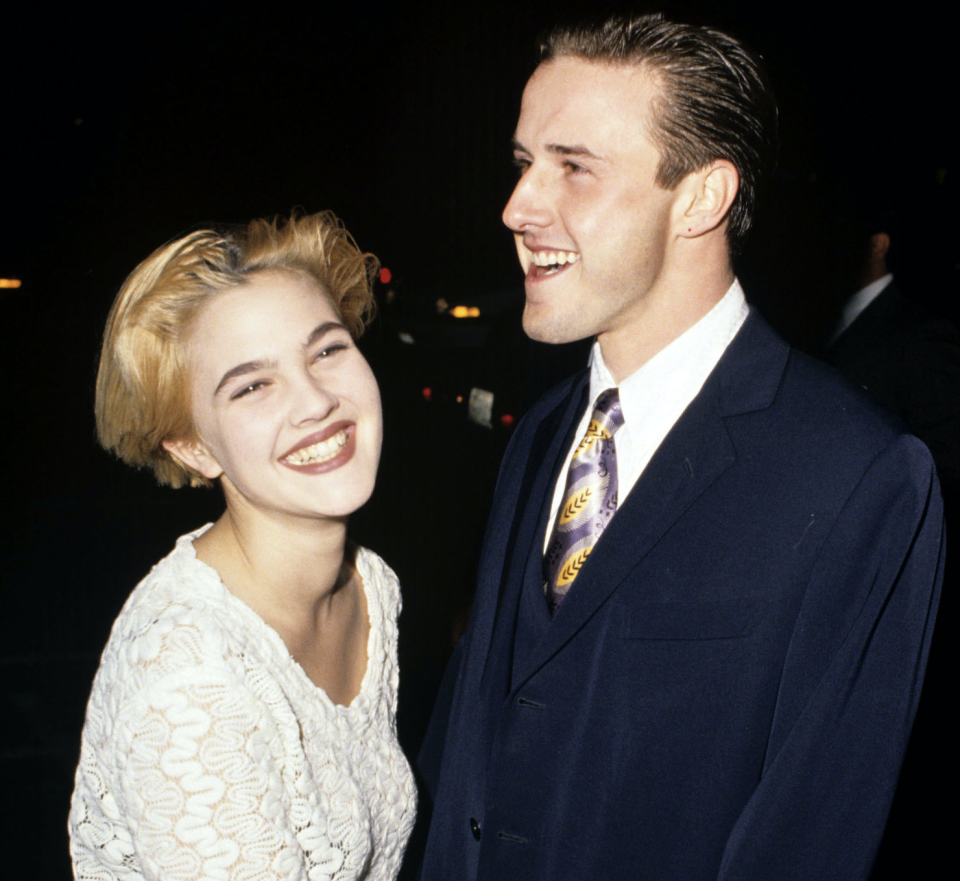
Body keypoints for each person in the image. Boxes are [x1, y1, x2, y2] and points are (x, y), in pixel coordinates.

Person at [418, 14, 943, 881]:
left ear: (702, 197)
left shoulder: (860, 477)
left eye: (573, 167)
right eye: (523, 164)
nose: (517, 207)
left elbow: (809, 840)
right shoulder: (545, 435)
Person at [69, 211, 416, 880]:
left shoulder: (370, 585)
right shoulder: (188, 679)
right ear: (194, 446)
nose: (316, 400)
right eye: (252, 385)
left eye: (327, 349)